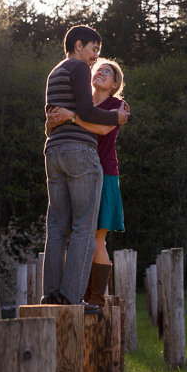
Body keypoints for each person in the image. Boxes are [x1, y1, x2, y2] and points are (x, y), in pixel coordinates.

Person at [42, 25, 129, 313]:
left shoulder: (55, 72)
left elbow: (53, 118)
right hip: (79, 154)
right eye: (94, 50)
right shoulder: (78, 68)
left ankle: (51, 295)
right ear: (79, 45)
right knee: (82, 228)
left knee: (56, 226)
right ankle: (71, 297)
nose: (95, 59)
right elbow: (88, 112)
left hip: (53, 151)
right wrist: (117, 117)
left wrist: (65, 119)